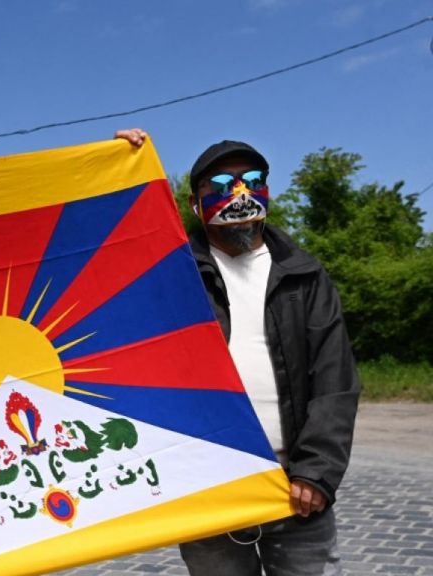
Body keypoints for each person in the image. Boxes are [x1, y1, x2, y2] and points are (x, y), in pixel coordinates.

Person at [116, 130, 360, 575]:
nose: (240, 192)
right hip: (210, 486)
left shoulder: (304, 274)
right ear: (195, 204)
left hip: (296, 490)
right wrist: (118, 167)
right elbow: (112, 266)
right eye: (222, 185)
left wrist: (316, 472)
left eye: (252, 180)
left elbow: (335, 380)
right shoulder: (173, 273)